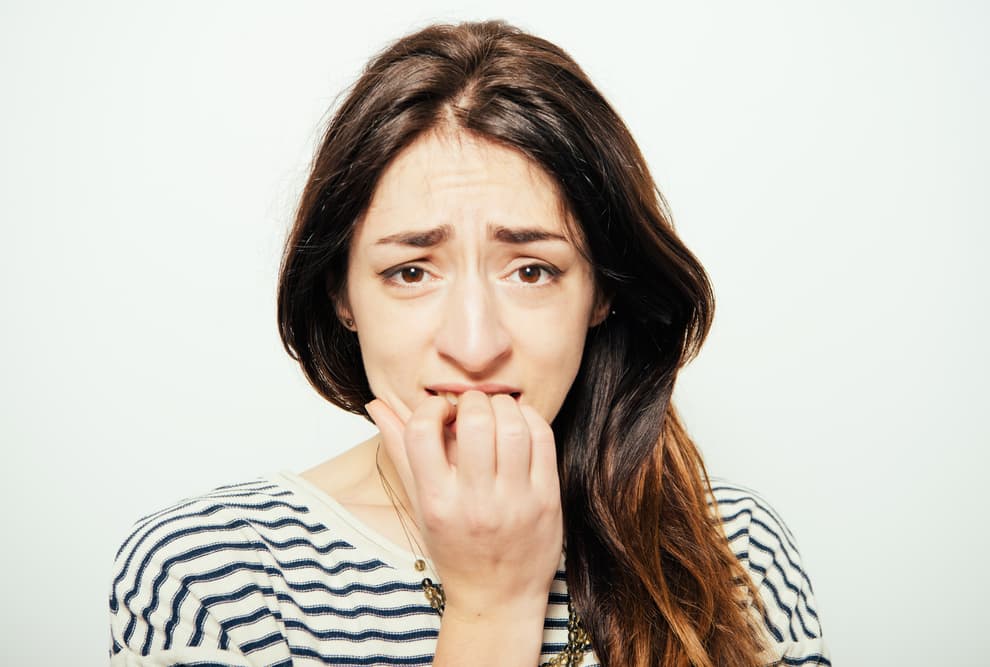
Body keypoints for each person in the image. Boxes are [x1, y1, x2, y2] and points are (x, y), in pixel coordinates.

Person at [108, 20, 830, 667]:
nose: (475, 345)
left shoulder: (735, 550)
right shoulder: (213, 574)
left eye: (532, 270)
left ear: (602, 293)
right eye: (411, 271)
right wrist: (493, 605)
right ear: (341, 294)